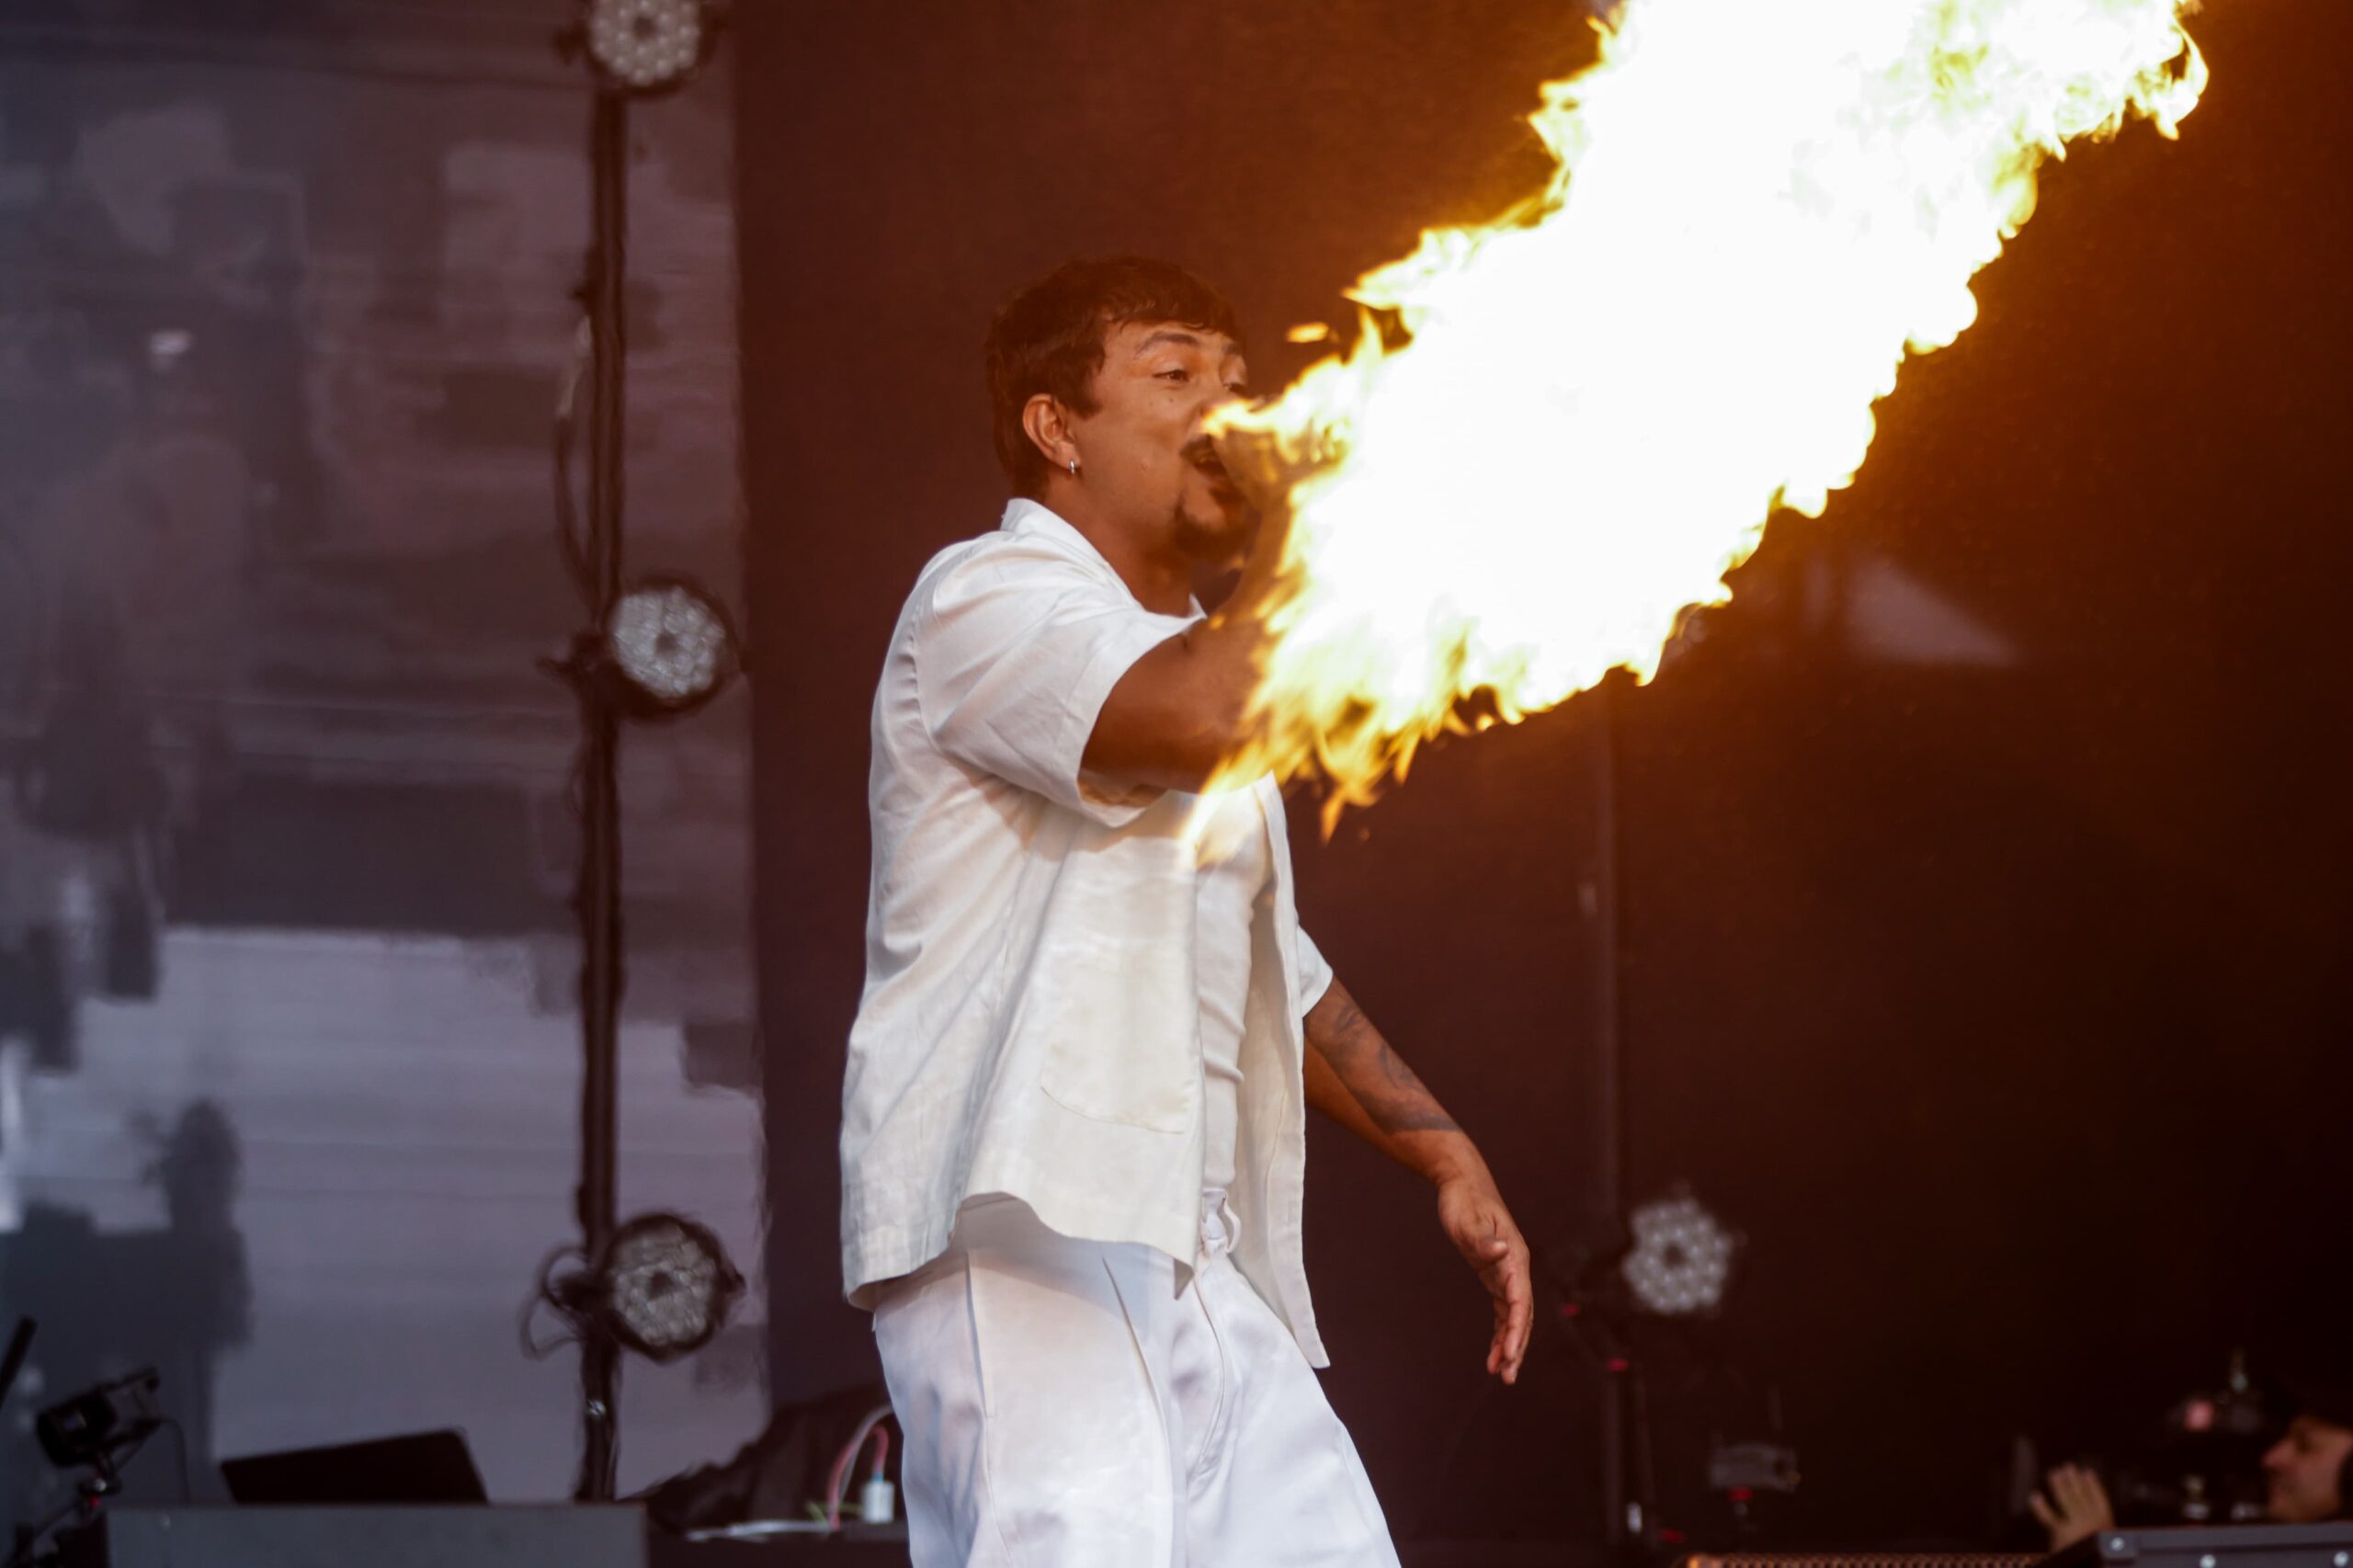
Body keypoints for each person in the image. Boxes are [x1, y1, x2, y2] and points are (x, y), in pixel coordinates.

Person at [838, 255, 1534, 1566]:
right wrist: (1313, 529)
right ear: (1058, 429)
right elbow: (1206, 720)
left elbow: (1276, 963)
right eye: (1173, 375)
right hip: (1029, 1220)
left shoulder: (1208, 653)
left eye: (1237, 379)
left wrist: (1444, 1150)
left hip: (1190, 1239)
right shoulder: (984, 597)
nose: (1228, 412)